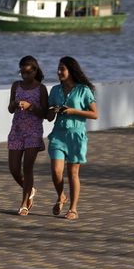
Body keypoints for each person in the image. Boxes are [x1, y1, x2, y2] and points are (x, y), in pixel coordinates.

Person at [46, 56, 99, 220]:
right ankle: (61, 195)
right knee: (56, 171)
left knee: (73, 173)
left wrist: (73, 111)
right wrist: (52, 110)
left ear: (71, 70)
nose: (59, 72)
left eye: (62, 69)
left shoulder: (83, 90)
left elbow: (95, 114)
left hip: (76, 136)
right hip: (58, 135)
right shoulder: (55, 90)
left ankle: (73, 209)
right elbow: (48, 117)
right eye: (58, 69)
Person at [7, 56, 49, 215]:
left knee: (28, 167)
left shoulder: (41, 88)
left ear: (35, 71)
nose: (25, 76)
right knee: (14, 169)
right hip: (17, 131)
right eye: (22, 73)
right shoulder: (16, 86)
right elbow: (10, 109)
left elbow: (45, 114)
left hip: (33, 132)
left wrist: (30, 106)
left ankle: (24, 203)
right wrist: (14, 104)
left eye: (28, 73)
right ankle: (30, 189)